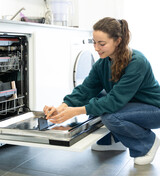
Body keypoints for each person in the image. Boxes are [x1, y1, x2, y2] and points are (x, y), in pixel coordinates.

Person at [43, 17, 160, 165]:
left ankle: (147, 143)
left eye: (102, 44)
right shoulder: (102, 63)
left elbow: (114, 101)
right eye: (94, 42)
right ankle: (112, 141)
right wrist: (62, 107)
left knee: (111, 116)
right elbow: (86, 89)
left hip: (154, 109)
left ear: (118, 41)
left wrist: (76, 111)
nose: (96, 48)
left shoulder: (137, 62)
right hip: (131, 104)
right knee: (98, 96)